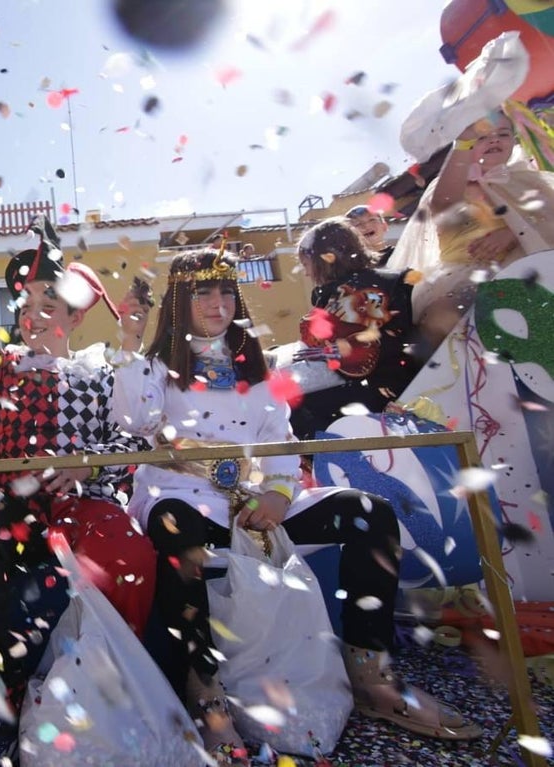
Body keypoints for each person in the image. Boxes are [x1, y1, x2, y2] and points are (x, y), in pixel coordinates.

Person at [112, 249, 481, 762]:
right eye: (202, 294)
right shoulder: (155, 366)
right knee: (180, 535)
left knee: (368, 513)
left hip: (256, 500)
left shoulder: (254, 366)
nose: (217, 303)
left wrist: (280, 494)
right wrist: (130, 342)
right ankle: (205, 697)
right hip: (184, 498)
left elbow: (280, 441)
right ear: (179, 302)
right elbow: (134, 421)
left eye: (224, 292)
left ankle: (371, 674)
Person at [0, 189, 157, 715]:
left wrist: (88, 462)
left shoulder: (101, 373)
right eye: (24, 307)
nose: (31, 316)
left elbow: (136, 440)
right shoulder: (6, 366)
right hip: (16, 508)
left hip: (88, 506)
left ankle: (121, 687)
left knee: (134, 557)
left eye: (46, 306)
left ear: (73, 319)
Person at [388, 110, 554, 348]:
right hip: (469, 280)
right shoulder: (451, 186)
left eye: (503, 134)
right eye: (483, 137)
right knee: (443, 317)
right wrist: (463, 140)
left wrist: (514, 233)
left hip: (533, 272)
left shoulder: (531, 181)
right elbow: (444, 205)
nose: (494, 140)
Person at [286, 218, 421, 439]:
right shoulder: (358, 284)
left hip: (380, 388)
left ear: (324, 260)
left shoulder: (360, 289)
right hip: (376, 382)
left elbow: (345, 359)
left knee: (289, 408)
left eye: (306, 265)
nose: (306, 273)